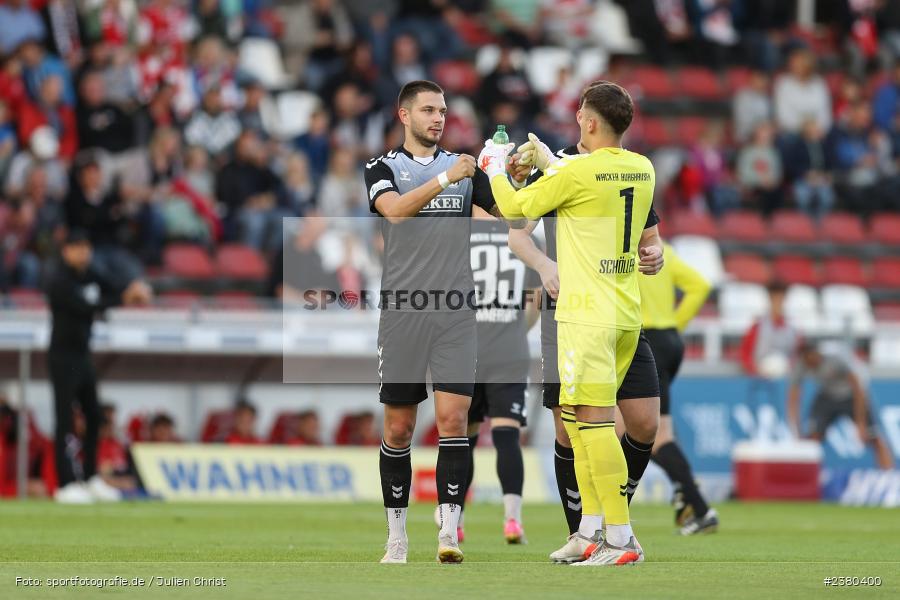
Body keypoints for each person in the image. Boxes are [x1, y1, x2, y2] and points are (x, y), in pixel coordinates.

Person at [480, 81, 664, 566]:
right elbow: (587, 180)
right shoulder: (642, 168)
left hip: (586, 313)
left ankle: (620, 538)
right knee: (578, 421)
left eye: (581, 113)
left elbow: (517, 208)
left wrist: (496, 167)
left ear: (588, 122)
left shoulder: (579, 172)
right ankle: (588, 532)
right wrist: (548, 160)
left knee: (594, 423)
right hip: (626, 311)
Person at [363, 80, 506, 565]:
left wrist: (520, 177)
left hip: (455, 313)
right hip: (402, 314)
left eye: (442, 110)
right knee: (400, 429)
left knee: (453, 420)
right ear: (404, 115)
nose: (438, 118)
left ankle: (449, 530)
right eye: (428, 110)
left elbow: (515, 219)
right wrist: (448, 181)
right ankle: (396, 538)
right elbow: (396, 212)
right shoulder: (382, 167)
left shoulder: (465, 168)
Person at [44, 229, 152, 504]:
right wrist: (124, 299)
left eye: (86, 247)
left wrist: (133, 289)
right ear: (66, 251)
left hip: (83, 356)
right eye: (77, 247)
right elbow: (85, 307)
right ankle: (66, 484)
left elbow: (113, 286)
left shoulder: (90, 274)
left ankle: (91, 478)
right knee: (65, 421)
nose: (83, 253)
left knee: (94, 416)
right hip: (62, 357)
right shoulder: (59, 279)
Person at [455, 205, 542, 545]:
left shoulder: (459, 238)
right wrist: (517, 330)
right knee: (507, 437)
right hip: (509, 351)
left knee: (464, 440)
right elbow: (536, 296)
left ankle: (455, 520)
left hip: (468, 351)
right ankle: (512, 521)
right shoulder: (521, 237)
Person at [638, 241, 719, 535]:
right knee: (649, 431)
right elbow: (699, 285)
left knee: (647, 436)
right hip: (669, 342)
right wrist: (675, 323)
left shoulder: (619, 246)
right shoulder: (663, 250)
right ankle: (686, 493)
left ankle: (696, 503)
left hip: (643, 342)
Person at [788, 343, 894, 470]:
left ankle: (889, 475)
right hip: (827, 396)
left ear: (816, 354)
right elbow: (793, 397)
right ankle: (805, 476)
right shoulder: (802, 364)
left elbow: (858, 388)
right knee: (812, 438)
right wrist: (796, 428)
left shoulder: (835, 359)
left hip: (850, 395)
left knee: (872, 437)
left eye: (811, 361)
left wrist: (860, 423)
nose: (810, 366)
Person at [740, 281, 800, 378]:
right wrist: (754, 371)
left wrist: (789, 368)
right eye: (775, 299)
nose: (778, 303)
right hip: (760, 380)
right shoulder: (757, 327)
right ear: (770, 300)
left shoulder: (793, 330)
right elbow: (745, 353)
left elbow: (797, 355)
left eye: (780, 299)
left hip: (784, 380)